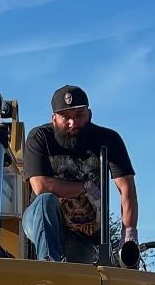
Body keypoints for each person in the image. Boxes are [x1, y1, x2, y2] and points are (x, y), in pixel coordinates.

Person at [21, 86, 141, 268]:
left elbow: (126, 189)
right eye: (66, 117)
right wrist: (84, 188)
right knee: (45, 201)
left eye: (79, 115)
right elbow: (40, 185)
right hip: (44, 221)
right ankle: (49, 267)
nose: (73, 123)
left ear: (89, 114)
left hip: (84, 234)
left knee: (78, 278)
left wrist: (129, 233)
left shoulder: (109, 139)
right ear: (54, 118)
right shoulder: (40, 138)